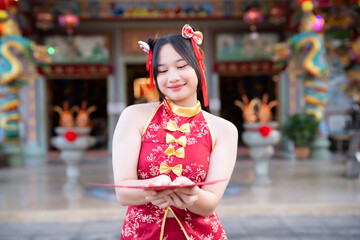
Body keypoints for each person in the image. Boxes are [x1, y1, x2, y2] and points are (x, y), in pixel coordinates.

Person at [112, 24, 238, 240]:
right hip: (142, 234)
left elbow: (209, 204)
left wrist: (194, 195)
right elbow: (123, 191)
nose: (172, 77)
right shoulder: (133, 116)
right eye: (162, 70)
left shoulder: (224, 130)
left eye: (181, 66)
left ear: (198, 66)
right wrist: (151, 188)